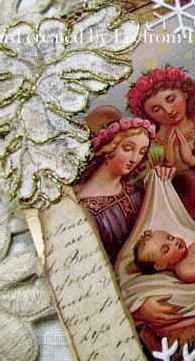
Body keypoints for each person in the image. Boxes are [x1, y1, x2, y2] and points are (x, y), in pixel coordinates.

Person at [74, 105, 173, 263]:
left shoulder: (137, 194)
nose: (134, 159)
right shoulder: (82, 209)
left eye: (141, 152)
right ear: (108, 148)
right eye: (128, 149)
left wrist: (163, 181)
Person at [126, 65, 195, 219]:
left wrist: (192, 163)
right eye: (156, 109)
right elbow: (145, 200)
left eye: (171, 99)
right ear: (147, 115)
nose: (169, 110)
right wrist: (167, 165)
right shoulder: (147, 149)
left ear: (185, 93)